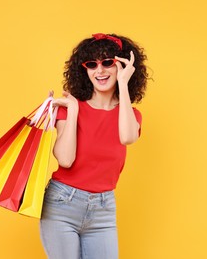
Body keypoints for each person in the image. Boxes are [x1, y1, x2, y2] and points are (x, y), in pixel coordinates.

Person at [40, 33, 149, 259]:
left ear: (123, 66)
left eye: (108, 62)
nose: (99, 71)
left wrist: (123, 84)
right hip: (62, 205)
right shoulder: (70, 108)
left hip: (103, 210)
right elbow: (65, 160)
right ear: (84, 71)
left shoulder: (130, 114)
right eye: (92, 64)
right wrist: (74, 112)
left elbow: (128, 137)